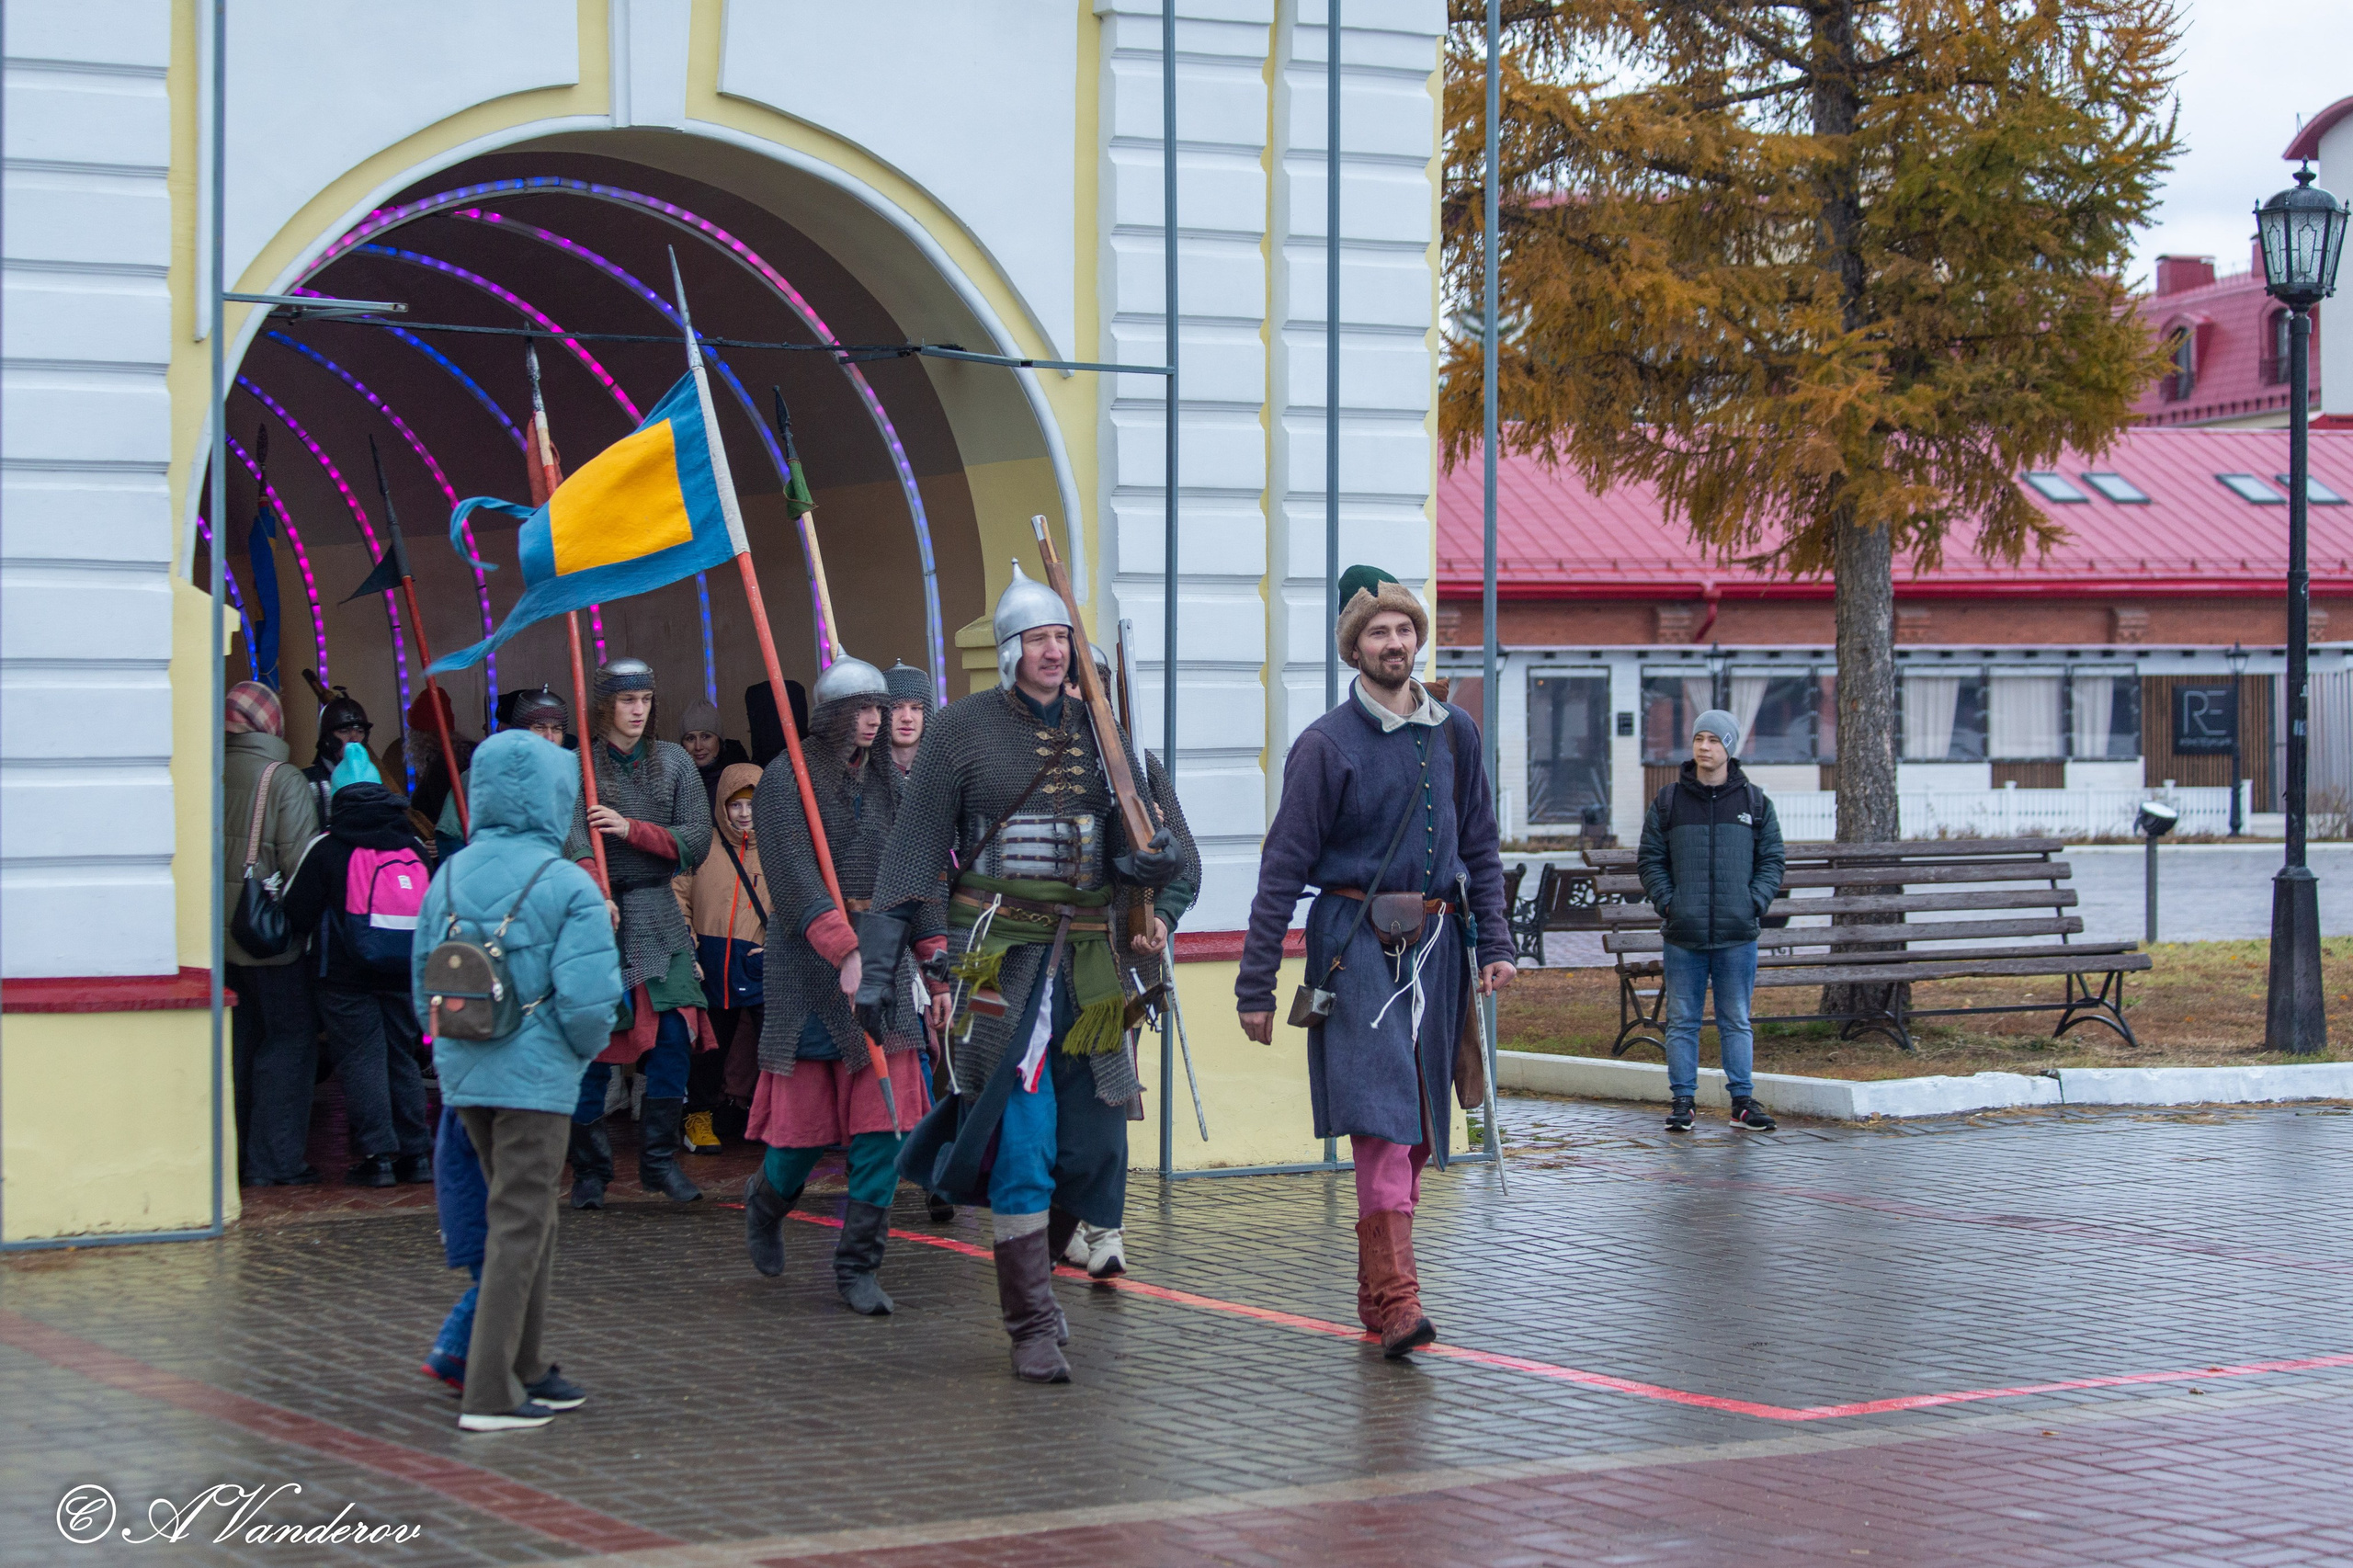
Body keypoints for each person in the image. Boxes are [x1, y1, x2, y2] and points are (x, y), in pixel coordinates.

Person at [854, 563, 1185, 1381]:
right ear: (1010, 650)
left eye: (1062, 638)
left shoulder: (1105, 733)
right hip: (999, 959)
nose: (1053, 651)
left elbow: (1165, 852)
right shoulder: (959, 732)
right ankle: (1031, 1321)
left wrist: (1153, 873)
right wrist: (881, 964)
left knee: (1095, 1149)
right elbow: (913, 854)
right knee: (1023, 1143)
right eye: (1038, 639)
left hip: (1092, 967)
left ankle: (1050, 1272)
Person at [1236, 565, 1516, 1359]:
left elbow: (1480, 845)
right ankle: (1399, 1302)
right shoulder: (1325, 746)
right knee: (1383, 1125)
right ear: (1353, 648)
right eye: (1378, 632)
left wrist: (1496, 942)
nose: (1395, 643)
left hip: (1438, 947)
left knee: (1419, 1128)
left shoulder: (1455, 732)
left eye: (1404, 629)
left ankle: (1376, 1294)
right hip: (1354, 947)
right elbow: (1281, 871)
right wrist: (1256, 985)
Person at [413, 729, 621, 1432]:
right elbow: (590, 1003)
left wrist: (451, 1053)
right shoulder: (568, 884)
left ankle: (528, 1367)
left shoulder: (448, 875)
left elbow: (421, 983)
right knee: (520, 1224)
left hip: (467, 1070)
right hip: (537, 1080)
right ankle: (490, 1392)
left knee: (529, 1220)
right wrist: (573, 1056)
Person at [740, 656, 940, 1313]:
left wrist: (934, 957)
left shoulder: (892, 782)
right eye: (863, 709)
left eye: (879, 708)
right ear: (831, 716)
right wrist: (843, 949)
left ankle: (858, 1266)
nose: (875, 720)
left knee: (884, 1127)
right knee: (799, 1138)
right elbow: (793, 877)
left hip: (883, 959)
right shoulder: (785, 780)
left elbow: (916, 873)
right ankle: (767, 1201)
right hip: (808, 969)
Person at [1050, 642, 1202, 1282]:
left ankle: (1104, 1228)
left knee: (1108, 1093)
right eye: (1073, 687)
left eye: (1089, 687)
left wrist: (1159, 918)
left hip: (1118, 961)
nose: (1080, 698)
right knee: (1050, 1104)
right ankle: (1064, 1225)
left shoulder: (1139, 766)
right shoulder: (1028, 763)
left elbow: (1184, 863)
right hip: (1041, 955)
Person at [563, 657, 716, 1208]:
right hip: (598, 920)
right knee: (593, 1046)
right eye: (628, 700)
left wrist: (632, 829)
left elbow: (697, 840)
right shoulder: (577, 767)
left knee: (674, 1039)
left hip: (658, 914)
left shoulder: (673, 762)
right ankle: (589, 1171)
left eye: (646, 700)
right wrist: (594, 890)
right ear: (605, 705)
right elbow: (573, 841)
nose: (638, 710)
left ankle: (658, 1163)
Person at [281, 755, 436, 1187]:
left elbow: (297, 911)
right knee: (402, 1057)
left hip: (345, 976)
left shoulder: (328, 845)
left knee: (362, 1060)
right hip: (404, 971)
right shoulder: (411, 845)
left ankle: (377, 1156)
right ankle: (416, 1154)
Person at [1635, 708, 1785, 1135]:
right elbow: (1650, 860)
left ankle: (1742, 1103)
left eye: (1714, 740)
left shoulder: (1755, 803)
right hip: (1684, 933)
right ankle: (1683, 1102)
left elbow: (1772, 860)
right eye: (1699, 738)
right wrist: (1670, 904)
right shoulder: (1669, 802)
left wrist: (1752, 902)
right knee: (1683, 1020)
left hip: (1737, 933)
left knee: (1735, 1019)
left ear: (1729, 748)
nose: (1704, 747)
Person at [224, 680, 325, 1187]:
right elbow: (301, 864)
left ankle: (236, 1155)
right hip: (268, 937)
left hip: (220, 939)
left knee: (240, 1041)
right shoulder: (282, 779)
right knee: (290, 1040)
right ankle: (276, 1161)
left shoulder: (207, 768)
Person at [675, 760, 767, 1156]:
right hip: (708, 961)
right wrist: (687, 942)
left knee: (774, 1049)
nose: (744, 813)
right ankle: (698, 1118)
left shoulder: (778, 848)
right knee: (709, 1049)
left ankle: (776, 1120)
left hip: (759, 962)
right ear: (722, 806)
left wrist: (776, 947)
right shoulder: (701, 846)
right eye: (735, 804)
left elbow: (797, 904)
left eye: (752, 804)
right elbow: (678, 896)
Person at [437, 687, 571, 846]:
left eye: (556, 729)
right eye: (539, 728)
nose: (549, 738)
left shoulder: (574, 776)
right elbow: (450, 836)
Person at [420, 1104, 488, 1393]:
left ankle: (453, 1352)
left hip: (468, 1210)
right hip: (476, 1213)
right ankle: (451, 1351)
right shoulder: (470, 1109)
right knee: (495, 1281)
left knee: (494, 1278)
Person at [303, 687, 372, 825]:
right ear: (328, 737)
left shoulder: (373, 781)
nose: (354, 738)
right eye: (344, 731)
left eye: (360, 731)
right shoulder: (305, 783)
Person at [678, 699, 751, 811]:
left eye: (705, 737)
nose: (698, 747)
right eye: (690, 738)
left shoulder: (741, 782)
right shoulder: (675, 784)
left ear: (719, 740)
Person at [882, 661, 930, 777]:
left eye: (915, 708)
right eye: (896, 707)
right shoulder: (862, 776)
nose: (907, 718)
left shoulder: (943, 773)